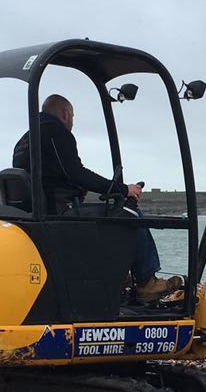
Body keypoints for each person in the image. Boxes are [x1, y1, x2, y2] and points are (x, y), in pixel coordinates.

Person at [12, 94, 182, 301]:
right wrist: (121, 189)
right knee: (131, 216)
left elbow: (54, 175)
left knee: (112, 216)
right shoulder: (56, 133)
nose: (72, 122)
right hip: (59, 212)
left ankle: (117, 274)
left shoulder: (25, 139)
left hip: (40, 210)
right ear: (65, 114)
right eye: (73, 117)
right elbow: (75, 173)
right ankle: (147, 283)